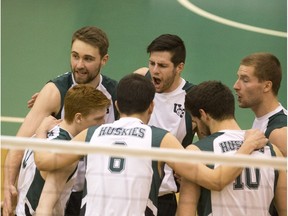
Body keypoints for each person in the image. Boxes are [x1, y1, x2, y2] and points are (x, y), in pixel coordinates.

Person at [34, 74, 268, 216]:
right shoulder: (160, 139)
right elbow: (215, 180)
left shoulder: (91, 135)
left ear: (116, 106)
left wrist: (42, 130)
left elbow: (43, 161)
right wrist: (246, 147)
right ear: (151, 107)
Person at [3, 26, 118, 216]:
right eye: (75, 56)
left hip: (94, 191)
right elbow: (18, 144)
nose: (79, 64)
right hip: (58, 188)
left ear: (104, 60)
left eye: (88, 59)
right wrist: (8, 187)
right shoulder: (54, 92)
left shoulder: (113, 93)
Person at [177, 80, 287, 216]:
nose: (198, 129)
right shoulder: (273, 151)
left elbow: (184, 213)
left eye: (195, 121)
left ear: (204, 114)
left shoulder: (196, 152)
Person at [15, 84, 111, 216]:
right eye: (98, 119)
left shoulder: (43, 131)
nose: (103, 124)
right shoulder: (65, 155)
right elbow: (44, 209)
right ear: (78, 118)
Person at [134, 34, 194, 216]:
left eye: (162, 65)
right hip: (131, 190)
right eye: (152, 63)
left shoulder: (193, 98)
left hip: (164, 197)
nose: (154, 70)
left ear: (180, 67)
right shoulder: (139, 80)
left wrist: (190, 172)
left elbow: (209, 143)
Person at [233, 52, 287, 157]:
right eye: (238, 78)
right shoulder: (263, 120)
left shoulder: (279, 134)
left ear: (266, 86)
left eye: (245, 80)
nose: (236, 86)